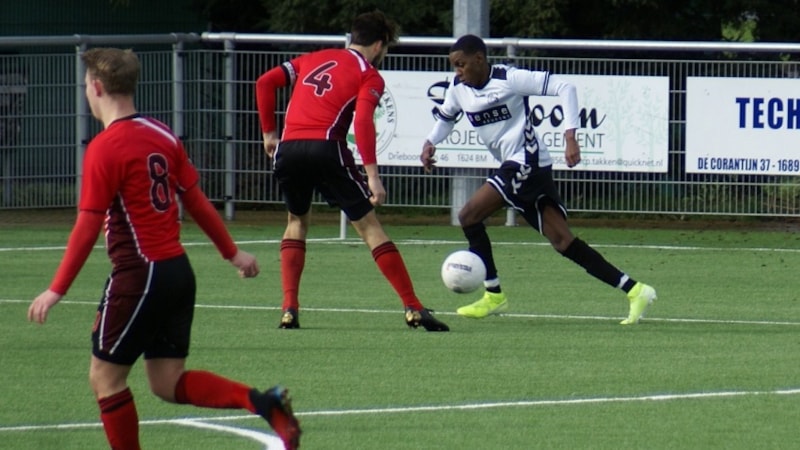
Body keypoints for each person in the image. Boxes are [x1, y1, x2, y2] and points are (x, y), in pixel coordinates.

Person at [27, 48, 301, 449]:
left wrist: (57, 289)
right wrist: (232, 253)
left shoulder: (105, 147)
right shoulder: (162, 134)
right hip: (176, 272)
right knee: (166, 381)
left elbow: (87, 226)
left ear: (97, 87)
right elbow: (196, 201)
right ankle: (262, 402)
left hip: (139, 274)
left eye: (86, 85)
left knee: (105, 378)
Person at [420, 35, 657, 325]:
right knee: (563, 241)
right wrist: (430, 142)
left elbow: (565, 87)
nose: (457, 72)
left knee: (469, 216)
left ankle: (493, 294)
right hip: (527, 167)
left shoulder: (510, 79)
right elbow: (446, 118)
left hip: (526, 162)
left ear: (479, 59)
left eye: (461, 64)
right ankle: (636, 290)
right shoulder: (459, 89)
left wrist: (570, 136)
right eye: (454, 66)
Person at [255, 11, 449, 332]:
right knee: (369, 227)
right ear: (379, 45)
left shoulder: (312, 59)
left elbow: (264, 82)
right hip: (326, 148)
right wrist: (373, 176)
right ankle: (413, 306)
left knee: (296, 222)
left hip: (288, 150)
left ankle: (289, 309)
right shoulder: (368, 74)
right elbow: (362, 122)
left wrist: (268, 134)